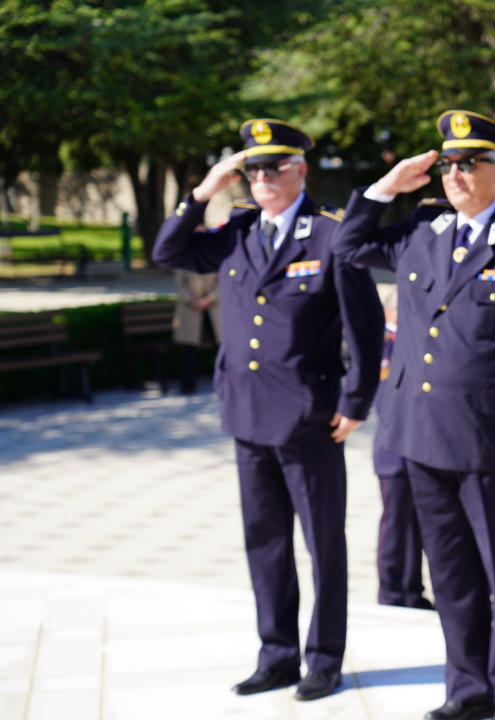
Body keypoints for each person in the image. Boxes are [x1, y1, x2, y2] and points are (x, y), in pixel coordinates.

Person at [331, 110, 495, 720]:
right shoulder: (422, 229)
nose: (456, 174)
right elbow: (347, 245)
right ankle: (467, 692)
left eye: (470, 164)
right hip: (421, 435)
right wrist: (387, 185)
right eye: (447, 164)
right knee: (453, 577)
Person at [152, 119, 384, 701]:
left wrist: (356, 402)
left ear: (300, 170)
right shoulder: (236, 230)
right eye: (251, 170)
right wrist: (204, 190)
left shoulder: (331, 233)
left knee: (322, 544)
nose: (261, 179)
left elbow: (366, 325)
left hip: (310, 416)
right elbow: (168, 249)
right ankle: (276, 654)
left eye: (272, 168)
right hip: (247, 413)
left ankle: (324, 659)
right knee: (266, 541)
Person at [374, 286, 434, 610]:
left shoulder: (418, 339)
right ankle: (391, 593)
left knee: (417, 525)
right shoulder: (383, 341)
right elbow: (384, 398)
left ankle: (413, 589)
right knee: (395, 527)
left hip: (419, 449)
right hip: (393, 450)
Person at [172, 269, 221, 394]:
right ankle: (188, 385)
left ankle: (225, 382)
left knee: (221, 348)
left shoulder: (216, 256)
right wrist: (191, 300)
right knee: (189, 350)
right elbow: (180, 283)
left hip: (214, 308)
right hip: (190, 309)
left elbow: (222, 282)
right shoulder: (183, 258)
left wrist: (209, 299)